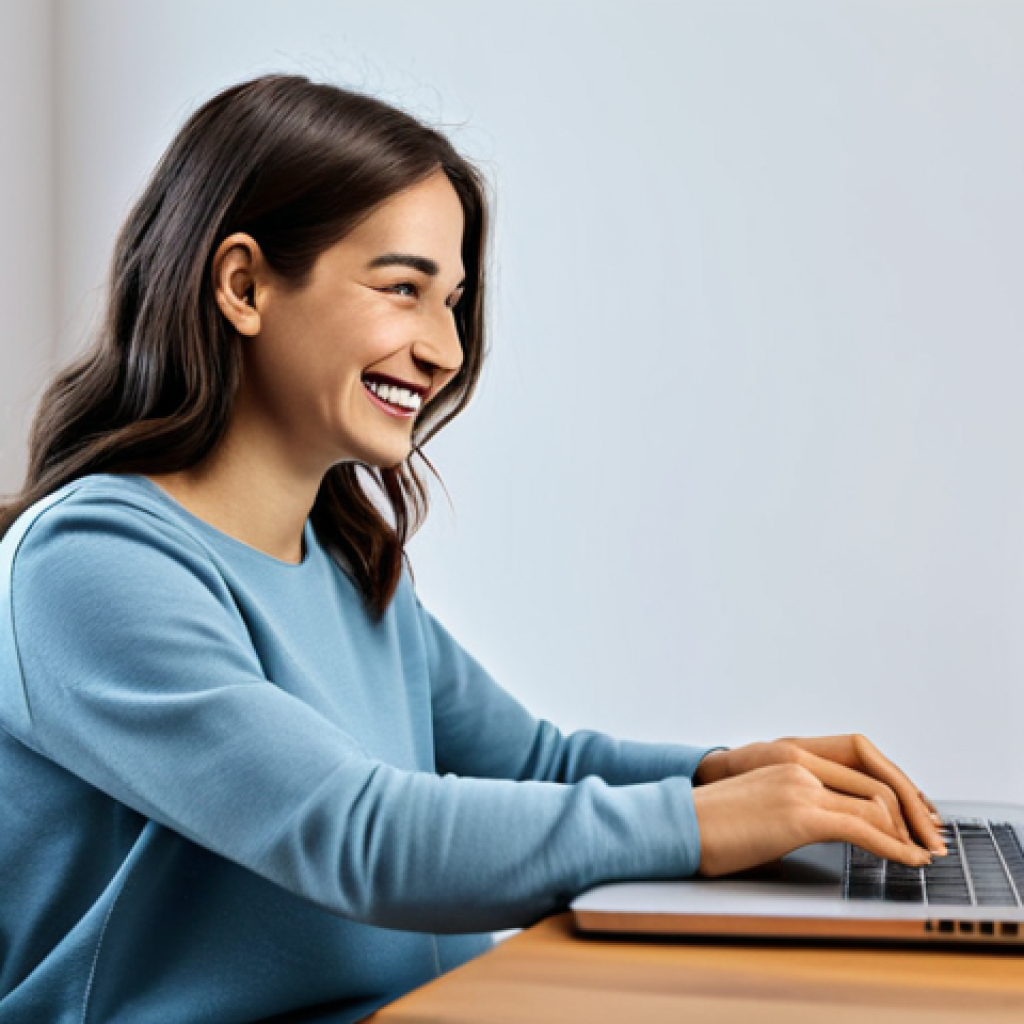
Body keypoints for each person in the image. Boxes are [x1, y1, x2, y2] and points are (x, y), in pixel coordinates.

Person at [0, 74, 946, 1024]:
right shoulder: (91, 561)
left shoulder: (342, 563)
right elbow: (353, 834)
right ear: (244, 285)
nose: (446, 350)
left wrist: (722, 775)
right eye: (404, 289)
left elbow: (529, 764)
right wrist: (700, 826)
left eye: (453, 301)